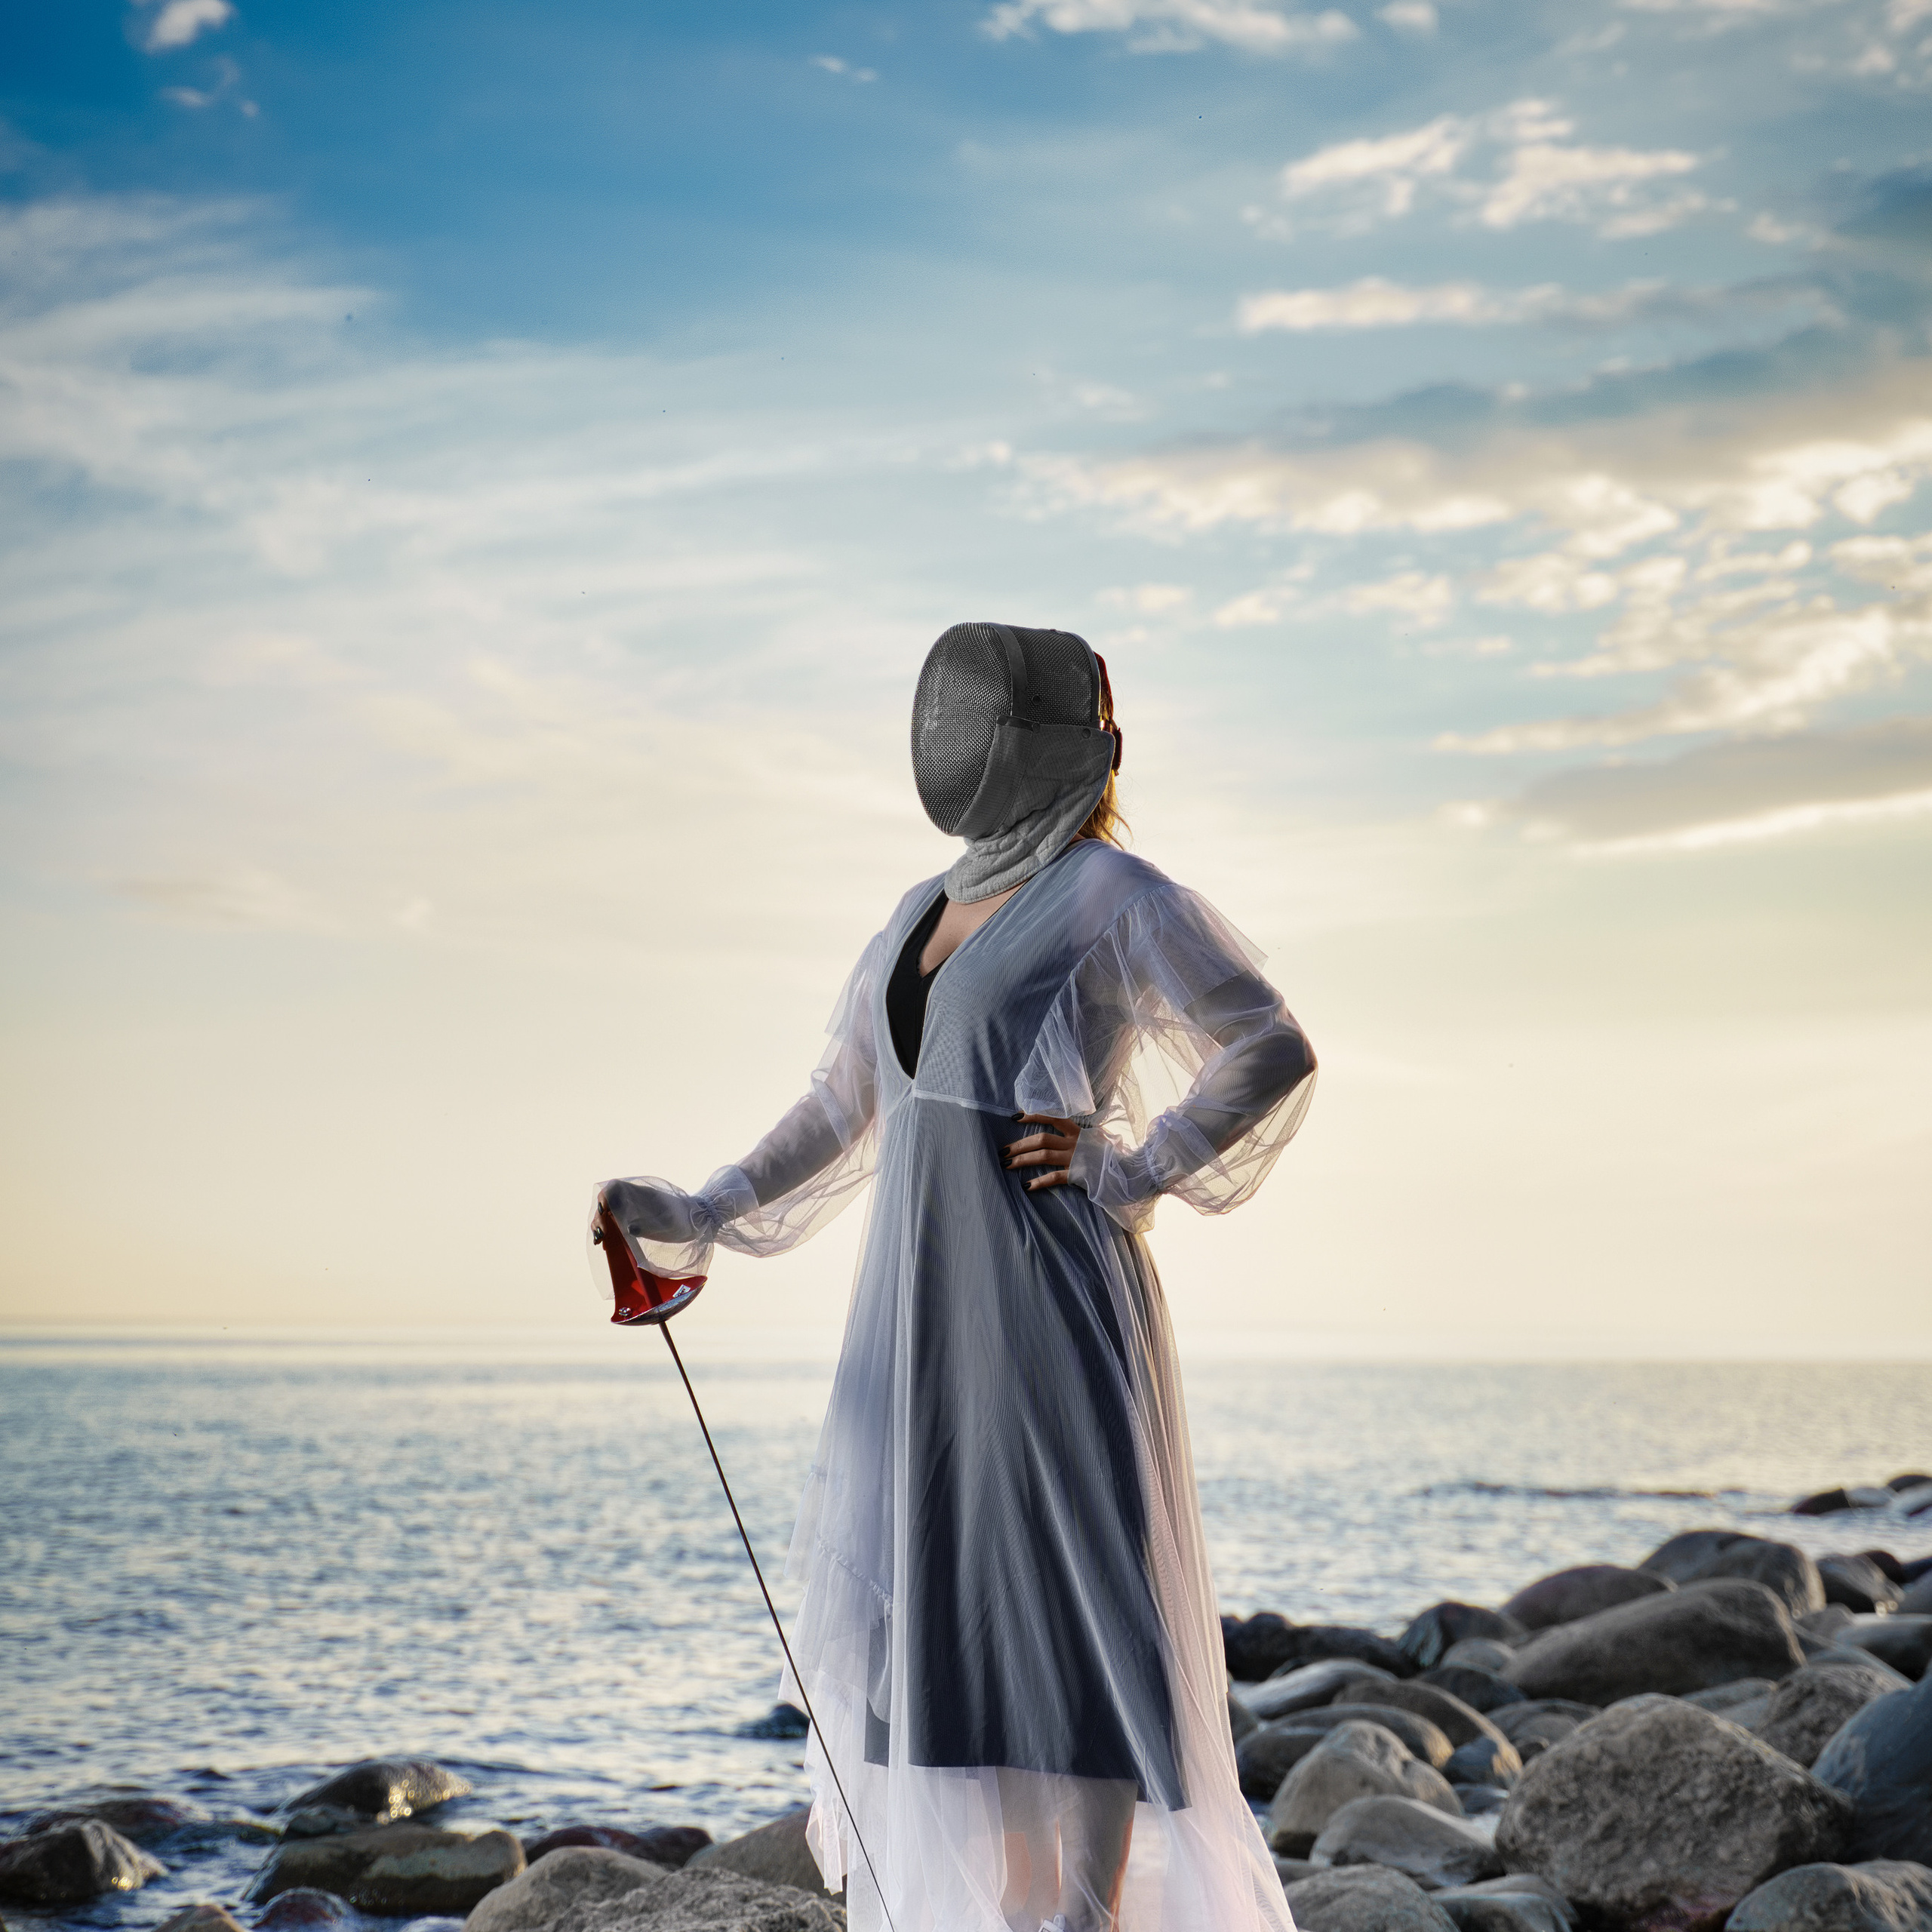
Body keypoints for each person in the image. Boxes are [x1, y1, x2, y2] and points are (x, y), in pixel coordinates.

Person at [598, 623, 1315, 1932]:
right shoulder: (916, 911)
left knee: (1078, 1601)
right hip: (924, 1317)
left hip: (1052, 1297)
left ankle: (1085, 1918)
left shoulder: (1114, 892)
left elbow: (1269, 1044)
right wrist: (703, 1209)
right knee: (960, 1609)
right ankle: (1018, 1911)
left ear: (1046, 752)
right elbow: (842, 1104)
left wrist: (1133, 1164)